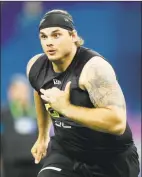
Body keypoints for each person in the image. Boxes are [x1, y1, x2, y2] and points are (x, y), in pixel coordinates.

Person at [26, 9, 140, 177]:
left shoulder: (94, 69)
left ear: (73, 36)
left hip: (111, 159)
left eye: (56, 35)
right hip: (67, 153)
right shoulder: (36, 67)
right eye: (44, 36)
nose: (49, 42)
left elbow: (117, 123)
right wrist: (43, 136)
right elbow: (39, 92)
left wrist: (67, 108)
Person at [1, 74, 42, 177]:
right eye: (17, 90)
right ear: (10, 92)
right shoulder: (5, 111)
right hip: (13, 163)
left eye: (24, 90)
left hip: (36, 162)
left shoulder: (38, 111)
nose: (21, 93)